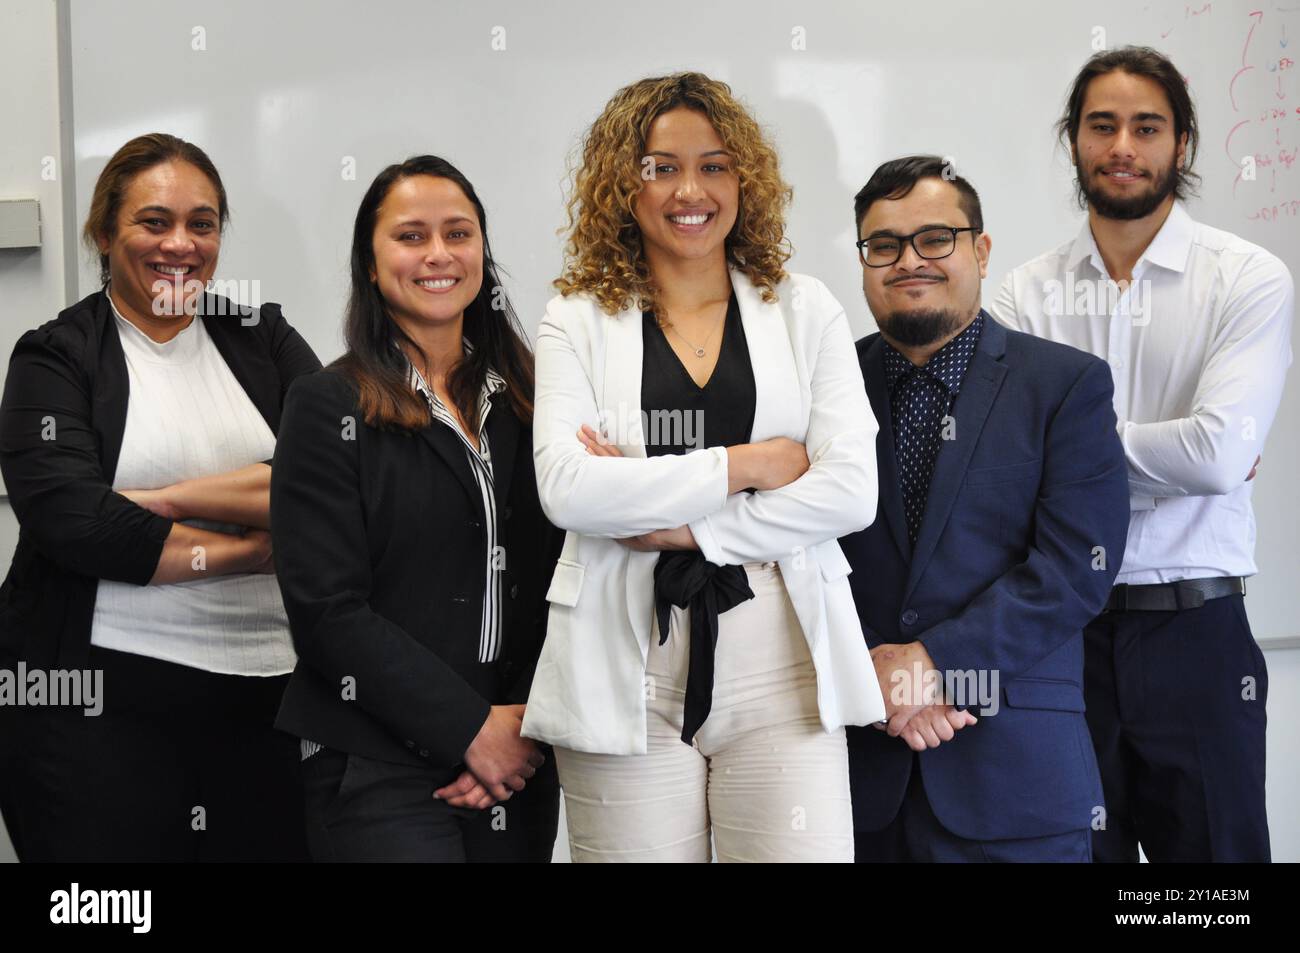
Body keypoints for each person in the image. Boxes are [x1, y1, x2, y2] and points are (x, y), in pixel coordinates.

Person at [521, 71, 928, 864]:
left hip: (781, 656)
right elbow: (569, 488)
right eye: (660, 167)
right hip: (622, 662)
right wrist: (753, 463)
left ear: (743, 178)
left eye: (713, 165)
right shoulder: (575, 317)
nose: (689, 190)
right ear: (623, 184)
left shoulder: (804, 306)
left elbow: (850, 490)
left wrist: (688, 525)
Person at [991, 46, 1293, 862]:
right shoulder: (1024, 293)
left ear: (1182, 144)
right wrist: (1175, 451)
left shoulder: (1247, 278)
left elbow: (1219, 455)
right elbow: (1006, 465)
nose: (1122, 145)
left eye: (1146, 126)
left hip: (1197, 635)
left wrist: (1073, 452)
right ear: (1075, 141)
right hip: (1062, 637)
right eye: (1102, 125)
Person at [0, 133, 320, 861]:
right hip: (101, 707)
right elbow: (75, 520)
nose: (180, 244)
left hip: (270, 694)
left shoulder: (259, 334)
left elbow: (337, 479)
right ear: (105, 232)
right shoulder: (55, 354)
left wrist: (167, 499)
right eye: (154, 221)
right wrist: (256, 546)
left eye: (201, 223)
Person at [271, 155, 561, 862]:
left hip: (520, 754)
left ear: (483, 254)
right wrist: (468, 728)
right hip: (376, 763)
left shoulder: (536, 398)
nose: (438, 254)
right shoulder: (326, 405)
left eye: (458, 233)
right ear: (371, 265)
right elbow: (326, 609)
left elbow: (570, 574)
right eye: (410, 236)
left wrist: (522, 728)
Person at [840, 155, 1130, 862]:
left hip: (1015, 783)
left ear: (981, 249)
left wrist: (934, 663)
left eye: (935, 237)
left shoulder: (1065, 386)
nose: (909, 259)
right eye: (884, 244)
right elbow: (789, 557)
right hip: (851, 784)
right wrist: (867, 674)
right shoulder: (827, 384)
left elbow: (1072, 571)